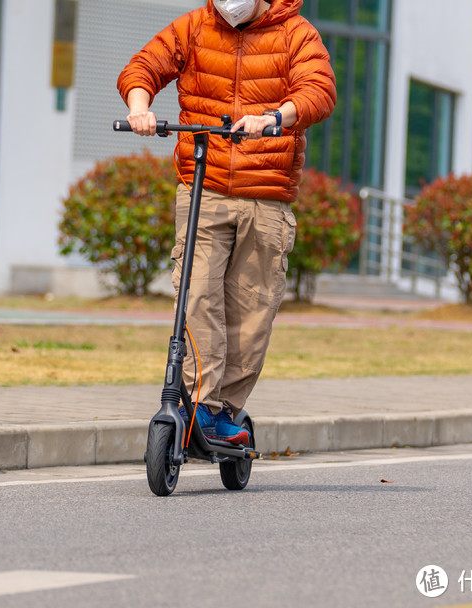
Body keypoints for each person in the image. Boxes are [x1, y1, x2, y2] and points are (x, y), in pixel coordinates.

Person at [117, 0, 336, 444]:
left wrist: (277, 116)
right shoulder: (196, 26)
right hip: (204, 184)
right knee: (196, 294)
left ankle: (224, 412)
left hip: (267, 193)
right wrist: (140, 107)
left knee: (252, 309)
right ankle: (200, 404)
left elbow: (319, 90)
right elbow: (142, 67)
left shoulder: (296, 32)